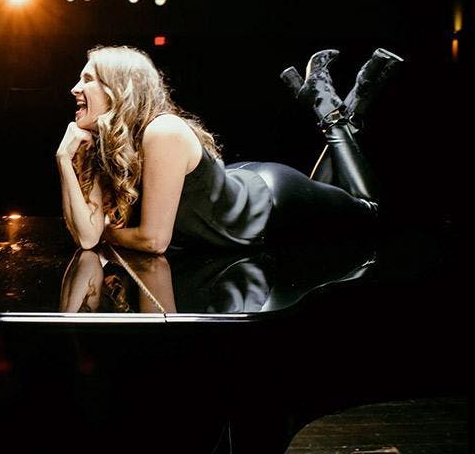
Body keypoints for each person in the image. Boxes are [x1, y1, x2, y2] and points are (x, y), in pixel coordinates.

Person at [57, 44, 400, 314]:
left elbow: (152, 240)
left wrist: (106, 231)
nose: (74, 87)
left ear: (120, 88)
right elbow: (87, 239)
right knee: (336, 196)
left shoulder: (162, 131)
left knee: (369, 211)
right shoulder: (109, 145)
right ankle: (340, 110)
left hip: (270, 201)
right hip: (237, 191)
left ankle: (334, 119)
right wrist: (63, 161)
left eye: (88, 79)